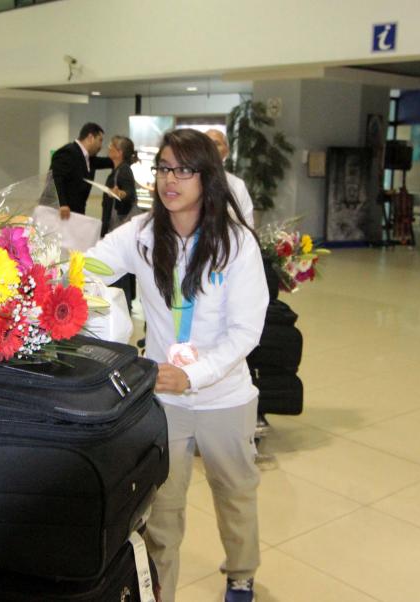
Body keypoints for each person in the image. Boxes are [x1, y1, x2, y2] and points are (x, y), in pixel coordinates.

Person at [86, 129, 268, 602]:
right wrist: (43, 270)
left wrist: (195, 374)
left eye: (184, 169)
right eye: (164, 167)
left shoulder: (235, 244)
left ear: (208, 178)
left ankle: (242, 574)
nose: (171, 179)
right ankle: (160, 591)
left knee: (236, 495)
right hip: (164, 399)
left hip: (225, 397)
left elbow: (245, 332)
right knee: (162, 510)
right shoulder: (143, 233)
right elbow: (90, 266)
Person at [102, 134, 141, 313]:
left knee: (119, 267)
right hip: (117, 225)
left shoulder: (123, 170)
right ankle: (124, 302)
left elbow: (130, 194)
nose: (108, 148)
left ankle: (124, 303)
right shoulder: (119, 169)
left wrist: (120, 194)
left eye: (112, 146)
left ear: (119, 152)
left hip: (119, 225)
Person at [50, 122, 113, 220]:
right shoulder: (68, 152)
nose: (101, 146)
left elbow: (110, 162)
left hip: (75, 214)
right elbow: (56, 178)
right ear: (90, 137)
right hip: (61, 214)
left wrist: (128, 157)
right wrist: (62, 204)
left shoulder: (88, 158)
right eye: (100, 140)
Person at [205, 129, 255, 228]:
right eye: (206, 144)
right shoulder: (188, 181)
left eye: (216, 143)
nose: (211, 148)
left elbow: (248, 225)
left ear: (226, 151)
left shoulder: (237, 185)